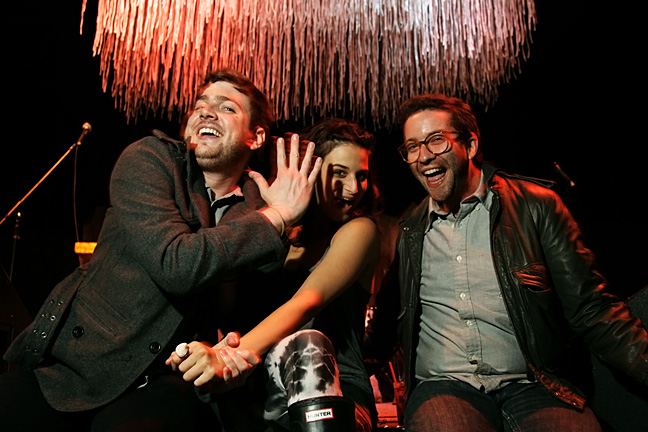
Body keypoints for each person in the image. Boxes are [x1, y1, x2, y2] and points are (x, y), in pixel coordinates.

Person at [0, 69, 322, 432]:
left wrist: (227, 350)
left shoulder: (259, 210)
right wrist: (277, 217)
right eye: (200, 105)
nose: (206, 112)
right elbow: (177, 265)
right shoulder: (150, 159)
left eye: (227, 107)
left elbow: (249, 314)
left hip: (167, 385)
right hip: (78, 368)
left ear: (256, 136)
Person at [388, 93, 648, 431]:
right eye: (412, 146)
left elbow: (591, 308)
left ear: (470, 145)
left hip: (536, 385)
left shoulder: (535, 206)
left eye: (436, 140)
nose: (423, 156)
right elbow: (386, 324)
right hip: (445, 387)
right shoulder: (410, 231)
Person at [167, 118, 381, 431]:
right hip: (256, 390)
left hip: (336, 392)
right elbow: (226, 308)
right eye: (339, 172)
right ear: (306, 169)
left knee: (307, 344)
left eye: (361, 176)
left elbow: (307, 301)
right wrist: (261, 214)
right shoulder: (276, 237)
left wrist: (228, 359)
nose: (353, 188)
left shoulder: (360, 231)